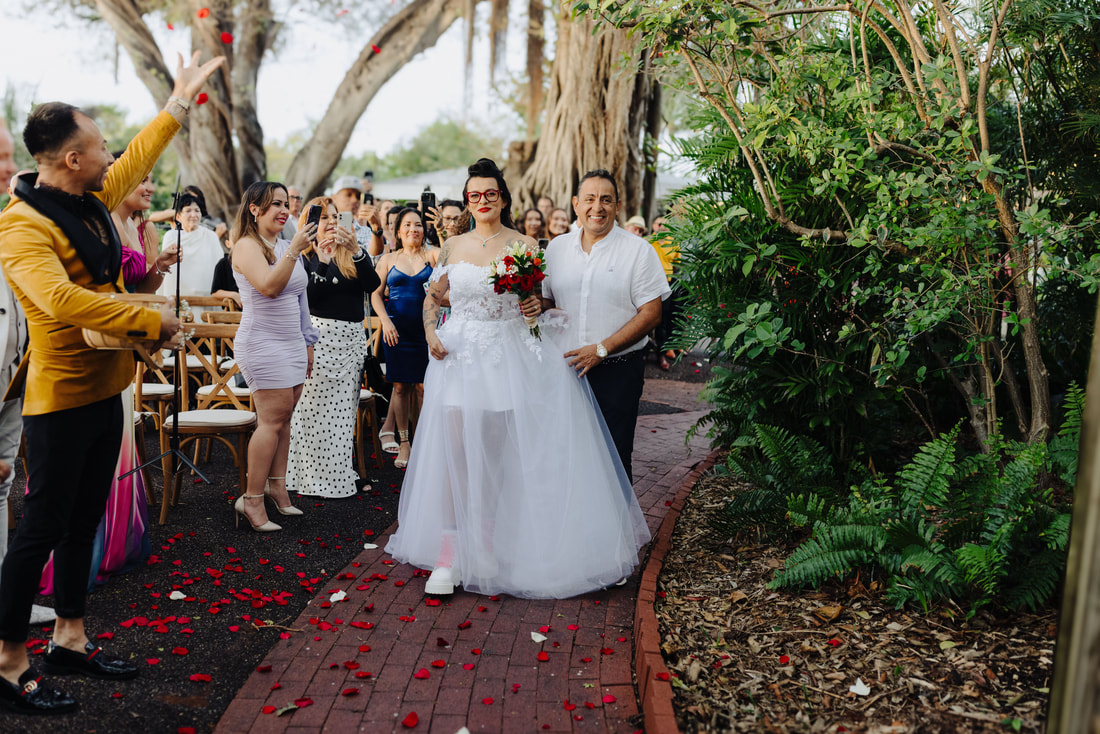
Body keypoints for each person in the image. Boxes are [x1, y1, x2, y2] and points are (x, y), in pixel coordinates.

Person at [0, 51, 216, 716]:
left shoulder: (89, 196)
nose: (108, 155)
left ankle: (69, 635)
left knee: (83, 521)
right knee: (40, 529)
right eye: (97, 147)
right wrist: (150, 318)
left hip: (105, 390)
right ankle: (8, 662)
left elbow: (138, 159)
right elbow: (61, 302)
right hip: (59, 396)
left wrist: (178, 103)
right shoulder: (20, 224)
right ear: (70, 159)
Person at [384, 158, 650, 598]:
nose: (483, 200)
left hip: (505, 360)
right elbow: (434, 297)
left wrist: (532, 307)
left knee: (494, 458)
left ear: (503, 198)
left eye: (491, 193)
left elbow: (535, 302)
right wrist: (432, 330)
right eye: (475, 194)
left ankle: (486, 546)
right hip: (459, 357)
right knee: (455, 456)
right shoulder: (452, 246)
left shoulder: (525, 244)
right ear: (468, 200)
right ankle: (449, 555)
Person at [541, 170, 670, 482]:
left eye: (605, 200)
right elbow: (546, 302)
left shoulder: (638, 251)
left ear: (618, 205)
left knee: (612, 458)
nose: (596, 207)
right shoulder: (557, 248)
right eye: (589, 199)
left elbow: (652, 314)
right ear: (575, 204)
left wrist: (601, 349)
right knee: (565, 454)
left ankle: (615, 532)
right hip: (566, 371)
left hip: (617, 371)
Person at [230, 181, 319, 531]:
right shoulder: (246, 247)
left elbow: (300, 299)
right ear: (254, 209)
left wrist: (308, 343)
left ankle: (278, 488)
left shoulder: (284, 244)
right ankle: (251, 499)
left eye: (286, 204)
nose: (284, 210)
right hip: (262, 343)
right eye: (275, 204)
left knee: (285, 419)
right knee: (271, 420)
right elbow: (269, 287)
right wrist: (294, 251)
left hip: (292, 342)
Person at [287, 197, 380, 498]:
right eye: (324, 216)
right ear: (310, 222)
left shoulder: (349, 253)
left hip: (350, 342)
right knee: (313, 413)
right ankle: (311, 477)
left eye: (335, 216)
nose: (330, 221)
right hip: (319, 341)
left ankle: (339, 472)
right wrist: (323, 259)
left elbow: (372, 283)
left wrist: (355, 250)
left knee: (342, 417)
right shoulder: (303, 256)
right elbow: (312, 297)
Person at [0, 121, 55, 628]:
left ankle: (5, 600)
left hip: (16, 375)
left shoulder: (22, 223)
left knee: (4, 485)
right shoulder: (15, 223)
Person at [370, 207, 438, 470]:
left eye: (418, 225)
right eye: (408, 225)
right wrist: (385, 321)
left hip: (426, 330)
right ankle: (405, 441)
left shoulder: (431, 256)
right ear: (398, 231)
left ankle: (424, 441)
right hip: (395, 330)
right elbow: (375, 294)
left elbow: (449, 259)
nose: (414, 229)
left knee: (424, 388)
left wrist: (443, 231)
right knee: (400, 388)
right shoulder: (387, 259)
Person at [157, 191, 224, 300]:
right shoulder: (171, 236)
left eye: (197, 211)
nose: (194, 215)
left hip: (205, 296)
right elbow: (167, 270)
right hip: (178, 296)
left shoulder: (211, 236)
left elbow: (219, 267)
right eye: (188, 211)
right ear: (178, 217)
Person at [331, 175, 383, 257]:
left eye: (358, 196)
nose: (355, 200)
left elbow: (374, 259)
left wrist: (376, 229)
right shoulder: (323, 227)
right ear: (334, 197)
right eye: (349, 194)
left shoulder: (367, 232)